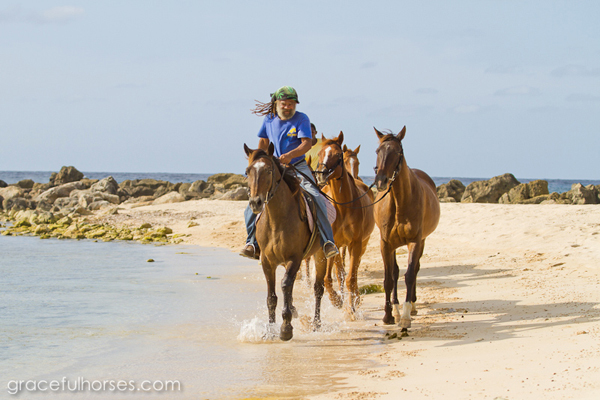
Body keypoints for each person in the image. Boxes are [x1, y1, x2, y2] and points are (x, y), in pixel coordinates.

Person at [240, 86, 339, 260]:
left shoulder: (302, 119)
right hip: (275, 167)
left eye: (291, 104)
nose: (288, 107)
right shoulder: (269, 119)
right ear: (277, 103)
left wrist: (290, 156)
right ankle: (252, 243)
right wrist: (258, 161)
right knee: (253, 202)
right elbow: (263, 142)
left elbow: (306, 144)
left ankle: (327, 241)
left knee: (315, 196)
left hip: (297, 166)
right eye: (284, 103)